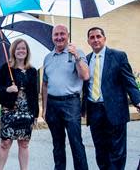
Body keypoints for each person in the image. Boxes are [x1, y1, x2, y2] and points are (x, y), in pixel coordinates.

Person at [82, 27, 140, 169]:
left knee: (117, 151)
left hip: (115, 110)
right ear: (88, 41)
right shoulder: (87, 60)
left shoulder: (118, 56)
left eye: (98, 36)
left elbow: (129, 82)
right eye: (92, 37)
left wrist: (138, 101)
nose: (95, 40)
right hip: (94, 110)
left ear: (104, 38)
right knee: (100, 151)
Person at [41, 24, 89, 170]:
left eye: (62, 34)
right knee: (57, 144)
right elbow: (45, 84)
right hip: (53, 104)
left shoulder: (77, 53)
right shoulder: (48, 57)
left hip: (71, 103)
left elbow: (85, 75)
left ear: (67, 35)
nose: (59, 37)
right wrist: (44, 108)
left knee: (76, 142)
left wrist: (77, 57)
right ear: (52, 37)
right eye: (56, 35)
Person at [0, 38, 39, 170]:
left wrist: (35, 115)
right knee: (5, 143)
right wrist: (7, 89)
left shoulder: (32, 71)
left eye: (23, 48)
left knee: (24, 143)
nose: (21, 51)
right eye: (18, 48)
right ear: (13, 51)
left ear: (27, 51)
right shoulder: (6, 68)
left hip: (27, 112)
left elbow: (35, 94)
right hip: (9, 110)